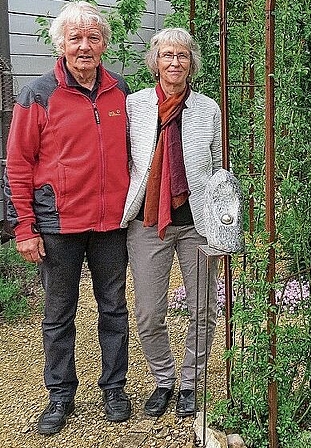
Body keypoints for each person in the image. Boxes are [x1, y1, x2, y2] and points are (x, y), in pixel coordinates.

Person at [3, 1, 131, 435]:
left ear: (104, 44)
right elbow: (17, 165)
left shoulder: (122, 93)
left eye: (93, 38)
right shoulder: (38, 94)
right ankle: (60, 395)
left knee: (113, 309)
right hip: (58, 223)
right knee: (59, 315)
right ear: (60, 43)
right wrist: (24, 227)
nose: (84, 46)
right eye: (75, 38)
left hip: (111, 224)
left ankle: (114, 388)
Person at [121, 27, 222, 418]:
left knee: (203, 307)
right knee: (148, 312)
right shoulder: (135, 105)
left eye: (182, 56)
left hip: (196, 222)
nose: (174, 62)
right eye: (167, 55)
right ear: (156, 62)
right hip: (148, 222)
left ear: (191, 63)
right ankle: (164, 379)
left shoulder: (207, 109)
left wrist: (222, 224)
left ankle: (191, 383)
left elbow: (216, 171)